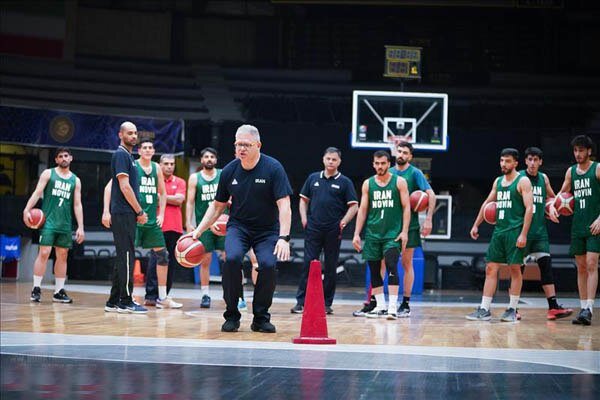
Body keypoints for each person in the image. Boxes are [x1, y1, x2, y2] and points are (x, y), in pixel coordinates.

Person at [192, 124, 292, 333]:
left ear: (258, 145)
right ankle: (232, 315)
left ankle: (261, 318)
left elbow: (284, 205)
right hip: (239, 226)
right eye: (238, 144)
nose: (241, 148)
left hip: (267, 230)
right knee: (232, 259)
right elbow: (217, 206)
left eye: (246, 144)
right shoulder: (229, 170)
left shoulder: (273, 168)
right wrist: (199, 230)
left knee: (267, 265)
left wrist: (284, 237)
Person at [103, 139, 182, 309]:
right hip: (134, 218)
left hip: (151, 220)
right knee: (126, 257)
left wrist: (161, 214)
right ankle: (123, 296)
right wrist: (106, 211)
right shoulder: (133, 165)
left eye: (150, 148)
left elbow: (163, 193)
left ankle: (162, 297)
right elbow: (109, 188)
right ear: (139, 151)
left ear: (153, 151)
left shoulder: (156, 168)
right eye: (144, 147)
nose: (147, 150)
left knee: (163, 255)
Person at [467, 148, 534, 322]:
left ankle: (512, 309)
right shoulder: (498, 181)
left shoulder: (523, 181)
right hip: (499, 232)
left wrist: (523, 234)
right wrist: (476, 224)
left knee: (515, 269)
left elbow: (529, 208)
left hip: (515, 231)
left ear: (516, 163)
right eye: (502, 160)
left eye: (508, 161)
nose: (504, 164)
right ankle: (484, 309)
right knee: (490, 268)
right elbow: (487, 203)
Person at [291, 147, 358, 315]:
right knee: (308, 264)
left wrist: (343, 222)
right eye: (328, 158)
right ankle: (301, 302)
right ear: (323, 159)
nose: (331, 162)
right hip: (313, 227)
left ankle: (326, 303)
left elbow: (354, 206)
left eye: (334, 159)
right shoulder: (313, 178)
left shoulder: (345, 182)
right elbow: (303, 200)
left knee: (330, 266)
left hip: (333, 229)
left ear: (339, 161)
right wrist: (304, 218)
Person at [514, 147, 572, 320]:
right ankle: (513, 308)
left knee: (546, 266)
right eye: (530, 159)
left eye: (535, 160)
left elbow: (553, 199)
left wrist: (553, 208)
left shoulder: (544, 178)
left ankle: (553, 307)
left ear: (540, 162)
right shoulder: (519, 177)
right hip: (522, 231)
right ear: (525, 161)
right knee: (518, 270)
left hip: (540, 232)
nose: (532, 163)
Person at [352, 150, 410, 320]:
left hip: (392, 234)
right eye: (377, 163)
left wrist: (404, 231)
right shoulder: (368, 184)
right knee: (374, 270)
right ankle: (380, 306)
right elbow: (363, 210)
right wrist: (356, 234)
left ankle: (392, 307)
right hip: (373, 233)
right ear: (373, 164)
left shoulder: (399, 182)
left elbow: (406, 207)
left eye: (383, 163)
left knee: (392, 265)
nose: (380, 166)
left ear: (389, 164)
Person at [23, 147, 84, 303]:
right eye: (60, 156)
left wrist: (80, 226)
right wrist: (27, 209)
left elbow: (77, 204)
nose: (63, 158)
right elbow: (37, 193)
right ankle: (36, 288)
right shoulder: (48, 173)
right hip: (48, 221)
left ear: (71, 158)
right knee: (44, 253)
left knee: (62, 255)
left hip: (65, 223)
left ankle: (58, 291)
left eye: (66, 156)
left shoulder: (75, 180)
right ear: (56, 160)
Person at [103, 121, 148, 314]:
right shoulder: (121, 154)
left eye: (135, 133)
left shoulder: (128, 157)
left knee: (123, 255)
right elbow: (125, 187)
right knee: (128, 255)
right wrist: (139, 211)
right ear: (120, 135)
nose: (133, 136)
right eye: (129, 133)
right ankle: (126, 300)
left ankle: (113, 301)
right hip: (123, 212)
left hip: (125, 212)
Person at [389, 141, 437, 317]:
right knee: (384, 262)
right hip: (390, 225)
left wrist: (429, 219)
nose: (401, 154)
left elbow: (431, 194)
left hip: (410, 225)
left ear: (410, 156)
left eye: (405, 152)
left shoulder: (415, 173)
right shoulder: (389, 172)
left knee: (406, 263)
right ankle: (377, 302)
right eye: (399, 151)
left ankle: (406, 303)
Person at [557, 135, 599, 326]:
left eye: (581, 150)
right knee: (581, 267)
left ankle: (589, 308)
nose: (578, 154)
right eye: (575, 150)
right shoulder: (571, 172)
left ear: (589, 151)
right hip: (578, 226)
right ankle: (583, 308)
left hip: (595, 225)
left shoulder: (597, 169)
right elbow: (561, 195)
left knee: (591, 264)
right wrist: (553, 208)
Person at [143, 153, 187, 305]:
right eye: (166, 164)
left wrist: (161, 196)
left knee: (171, 262)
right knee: (155, 259)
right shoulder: (153, 181)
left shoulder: (180, 181)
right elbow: (151, 199)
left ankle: (164, 296)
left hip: (175, 227)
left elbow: (179, 200)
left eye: (172, 164)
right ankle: (150, 296)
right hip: (157, 226)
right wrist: (169, 197)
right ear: (160, 165)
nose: (169, 167)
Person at [186, 147, 224, 308]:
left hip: (223, 224)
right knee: (205, 260)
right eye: (206, 157)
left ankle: (235, 295)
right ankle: (205, 294)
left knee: (231, 259)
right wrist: (188, 222)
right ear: (201, 160)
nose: (209, 159)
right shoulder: (195, 178)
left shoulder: (223, 175)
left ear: (216, 160)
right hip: (204, 225)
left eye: (212, 157)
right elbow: (189, 202)